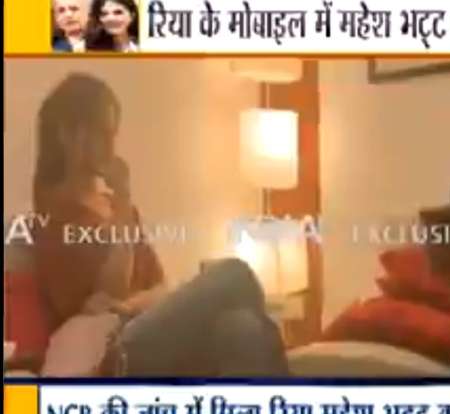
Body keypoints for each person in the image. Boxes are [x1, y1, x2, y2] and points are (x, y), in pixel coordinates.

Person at [33, 73, 288, 377]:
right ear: (67, 134)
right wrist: (123, 200)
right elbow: (110, 291)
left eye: (113, 133)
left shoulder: (119, 209)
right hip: (112, 352)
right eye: (101, 133)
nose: (111, 146)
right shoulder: (52, 217)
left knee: (241, 328)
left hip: (149, 330)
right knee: (234, 273)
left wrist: (129, 306)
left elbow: (158, 288)